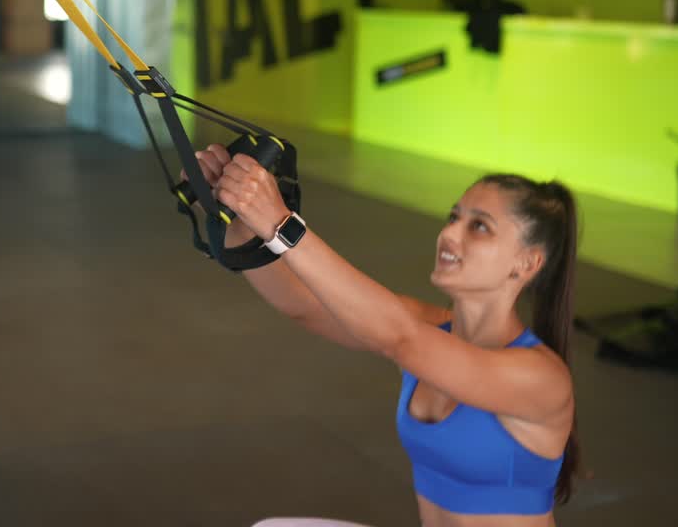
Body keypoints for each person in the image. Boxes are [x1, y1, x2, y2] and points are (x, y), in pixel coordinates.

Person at [187, 143, 580, 527]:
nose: (450, 235)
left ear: (526, 263)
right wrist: (231, 210)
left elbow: (397, 336)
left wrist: (281, 224)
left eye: (479, 227)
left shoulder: (540, 378)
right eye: (453, 217)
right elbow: (303, 303)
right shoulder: (428, 328)